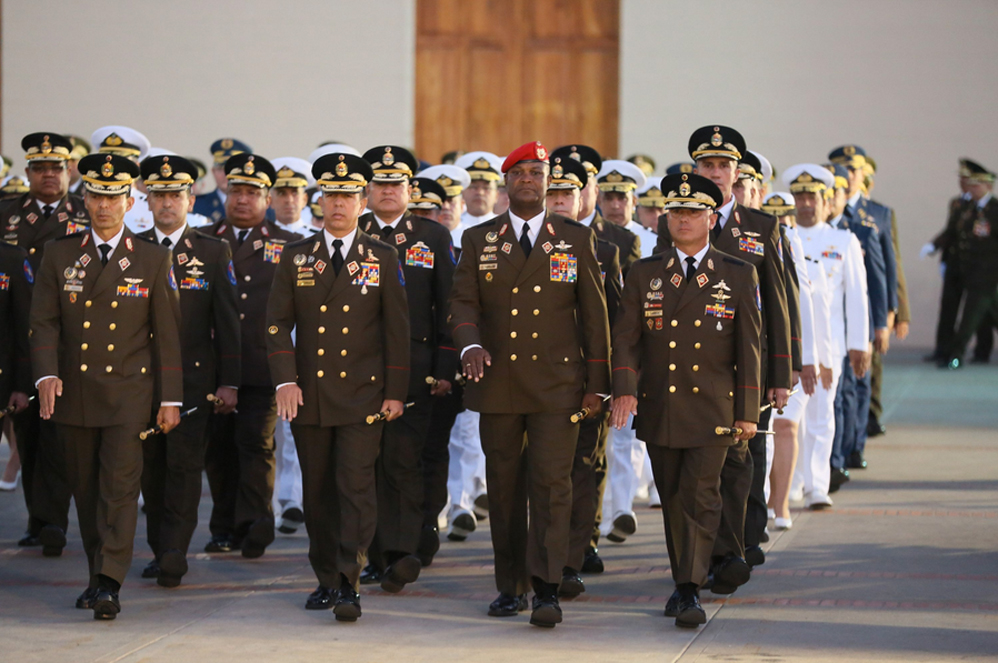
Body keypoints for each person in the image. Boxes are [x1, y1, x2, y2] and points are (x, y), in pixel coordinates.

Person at [449, 140, 610, 628]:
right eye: (519, 172)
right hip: (498, 384)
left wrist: (598, 384)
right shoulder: (478, 238)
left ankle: (547, 587)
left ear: (547, 182)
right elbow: (463, 303)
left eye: (536, 173)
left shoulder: (575, 238)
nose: (527, 180)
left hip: (557, 386)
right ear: (506, 182)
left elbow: (595, 316)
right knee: (503, 490)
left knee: (552, 487)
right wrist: (469, 345)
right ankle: (510, 586)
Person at [30, 153, 183, 619]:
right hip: (74, 393)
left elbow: (167, 334)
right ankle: (97, 574)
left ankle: (109, 582)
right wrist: (46, 373)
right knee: (86, 491)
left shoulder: (153, 258)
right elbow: (44, 321)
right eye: (96, 196)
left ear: (129, 202)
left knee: (118, 490)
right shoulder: (59, 253)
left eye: (113, 198)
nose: (103, 206)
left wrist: (170, 398)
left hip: (128, 396)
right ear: (85, 199)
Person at [611, 171, 762, 628]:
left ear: (711, 219)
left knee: (701, 497)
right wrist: (625, 389)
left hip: (713, 408)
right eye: (676, 211)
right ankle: (687, 578)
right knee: (674, 498)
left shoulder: (737, 273)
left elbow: (749, 348)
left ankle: (688, 588)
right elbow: (627, 339)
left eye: (693, 212)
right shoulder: (645, 273)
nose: (683, 219)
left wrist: (747, 413)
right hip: (662, 405)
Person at [267, 152, 410, 621]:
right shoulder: (296, 256)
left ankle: (349, 581)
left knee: (355, 488)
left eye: (348, 196)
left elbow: (397, 330)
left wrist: (395, 391)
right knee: (318, 493)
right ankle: (326, 577)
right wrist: (285, 380)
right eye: (331, 195)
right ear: (320, 201)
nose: (339, 204)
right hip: (309, 396)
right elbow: (276, 324)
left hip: (363, 396)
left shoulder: (382, 256)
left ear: (362, 202)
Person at [657, 126, 791, 595]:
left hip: (745, 370)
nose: (715, 172)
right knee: (700, 472)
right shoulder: (676, 221)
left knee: (738, 464)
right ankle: (715, 557)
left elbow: (779, 305)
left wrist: (782, 372)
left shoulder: (762, 226)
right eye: (707, 165)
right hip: (689, 372)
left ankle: (733, 548)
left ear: (737, 173)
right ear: (695, 169)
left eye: (723, 166)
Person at [135, 155, 241, 587]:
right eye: (158, 195)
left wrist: (229, 381)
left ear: (190, 199)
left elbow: (228, 321)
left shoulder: (212, 251)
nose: (166, 203)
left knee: (183, 468)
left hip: (195, 381)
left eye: (175, 195)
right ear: (147, 199)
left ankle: (174, 551)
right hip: (142, 381)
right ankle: (159, 549)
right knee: (151, 472)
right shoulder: (133, 249)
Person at [356, 146, 457, 592]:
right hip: (358, 368)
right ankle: (371, 554)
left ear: (410, 189)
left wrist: (445, 366)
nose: (387, 191)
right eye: (379, 184)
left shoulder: (431, 236)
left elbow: (449, 305)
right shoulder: (351, 231)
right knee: (364, 463)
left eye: (395, 184)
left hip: (416, 369)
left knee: (403, 460)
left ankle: (401, 552)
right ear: (367, 190)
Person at [204, 154, 301, 558]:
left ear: (267, 199)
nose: (242, 200)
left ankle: (256, 522)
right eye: (236, 191)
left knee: (256, 444)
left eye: (252, 192)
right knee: (218, 450)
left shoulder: (289, 244)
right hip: (212, 366)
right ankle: (224, 527)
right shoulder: (203, 240)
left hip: (262, 365)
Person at [3, 132, 88, 557]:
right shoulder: (7, 213)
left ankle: (53, 520)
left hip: (67, 338)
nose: (49, 175)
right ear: (28, 172)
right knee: (29, 432)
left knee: (58, 436)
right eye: (40, 168)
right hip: (18, 338)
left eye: (57, 168)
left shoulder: (86, 212)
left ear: (69, 170)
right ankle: (38, 520)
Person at [544, 154, 622, 595]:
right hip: (536, 384)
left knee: (581, 471)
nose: (558, 201)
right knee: (542, 476)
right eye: (551, 193)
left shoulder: (604, 250)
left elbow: (618, 324)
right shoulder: (522, 248)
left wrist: (612, 385)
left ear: (581, 198)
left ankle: (571, 560)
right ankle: (543, 557)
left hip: (585, 385)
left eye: (566, 193)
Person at [783, 165, 869, 509]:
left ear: (827, 201)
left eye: (812, 197)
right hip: (790, 346)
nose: (806, 204)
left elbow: (857, 296)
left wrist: (859, 344)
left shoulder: (843, 241)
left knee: (821, 416)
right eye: (800, 196)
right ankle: (791, 483)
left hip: (829, 347)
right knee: (789, 419)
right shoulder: (783, 237)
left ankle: (817, 486)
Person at [593, 158, 650, 544]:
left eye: (623, 197)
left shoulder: (642, 240)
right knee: (600, 440)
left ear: (634, 201)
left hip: (628, 349)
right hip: (601, 347)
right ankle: (604, 512)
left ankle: (622, 509)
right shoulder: (592, 237)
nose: (616, 204)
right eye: (610, 197)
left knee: (626, 434)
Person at [941, 160, 998, 368]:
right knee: (990, 316)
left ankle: (955, 357)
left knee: (969, 319)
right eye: (971, 185)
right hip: (971, 274)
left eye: (976, 185)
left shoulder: (995, 210)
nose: (971, 189)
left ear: (988, 186)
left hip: (987, 276)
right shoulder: (969, 209)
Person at [552, 144, 642, 274]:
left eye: (582, 184)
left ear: (596, 190)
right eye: (556, 191)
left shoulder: (624, 241)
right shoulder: (535, 234)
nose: (577, 192)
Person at [193, 139, 252, 223]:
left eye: (232, 170)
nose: (226, 175)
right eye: (220, 169)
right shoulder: (196, 205)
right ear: (213, 172)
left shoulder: (258, 205)